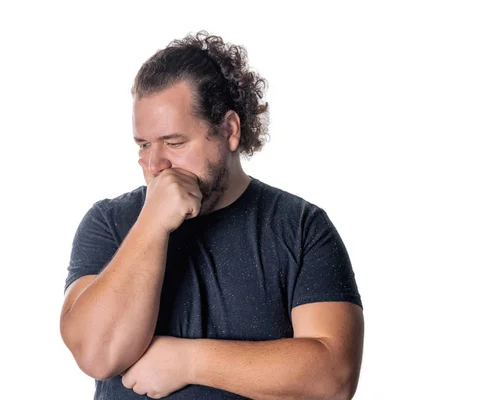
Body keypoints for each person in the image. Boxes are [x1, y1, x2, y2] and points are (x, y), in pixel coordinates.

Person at [60, 30, 364, 400]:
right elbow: (95, 354)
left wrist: (187, 362)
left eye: (174, 143)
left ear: (229, 130)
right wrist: (151, 224)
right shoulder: (109, 222)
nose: (155, 165)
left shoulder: (301, 227)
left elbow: (333, 378)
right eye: (143, 145)